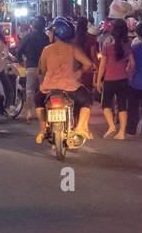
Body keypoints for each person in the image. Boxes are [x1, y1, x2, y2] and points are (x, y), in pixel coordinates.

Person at [34, 15, 94, 144]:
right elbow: (89, 64)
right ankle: (80, 127)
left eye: (51, 32)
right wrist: (79, 73)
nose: (49, 34)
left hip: (49, 88)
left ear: (56, 33)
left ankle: (43, 129)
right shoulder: (72, 48)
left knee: (38, 100)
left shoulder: (46, 50)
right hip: (70, 87)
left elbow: (41, 70)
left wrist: (44, 79)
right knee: (87, 100)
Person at [97, 19, 133, 139]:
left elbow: (102, 65)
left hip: (109, 79)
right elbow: (133, 63)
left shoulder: (107, 45)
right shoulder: (128, 43)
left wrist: (98, 81)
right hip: (123, 79)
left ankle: (112, 126)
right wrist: (127, 70)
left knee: (106, 104)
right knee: (122, 105)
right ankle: (121, 132)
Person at [16, 16, 49, 122]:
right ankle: (44, 112)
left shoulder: (28, 37)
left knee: (29, 91)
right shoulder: (45, 38)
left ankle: (29, 112)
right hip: (43, 68)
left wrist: (21, 61)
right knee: (44, 90)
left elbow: (19, 51)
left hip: (30, 67)